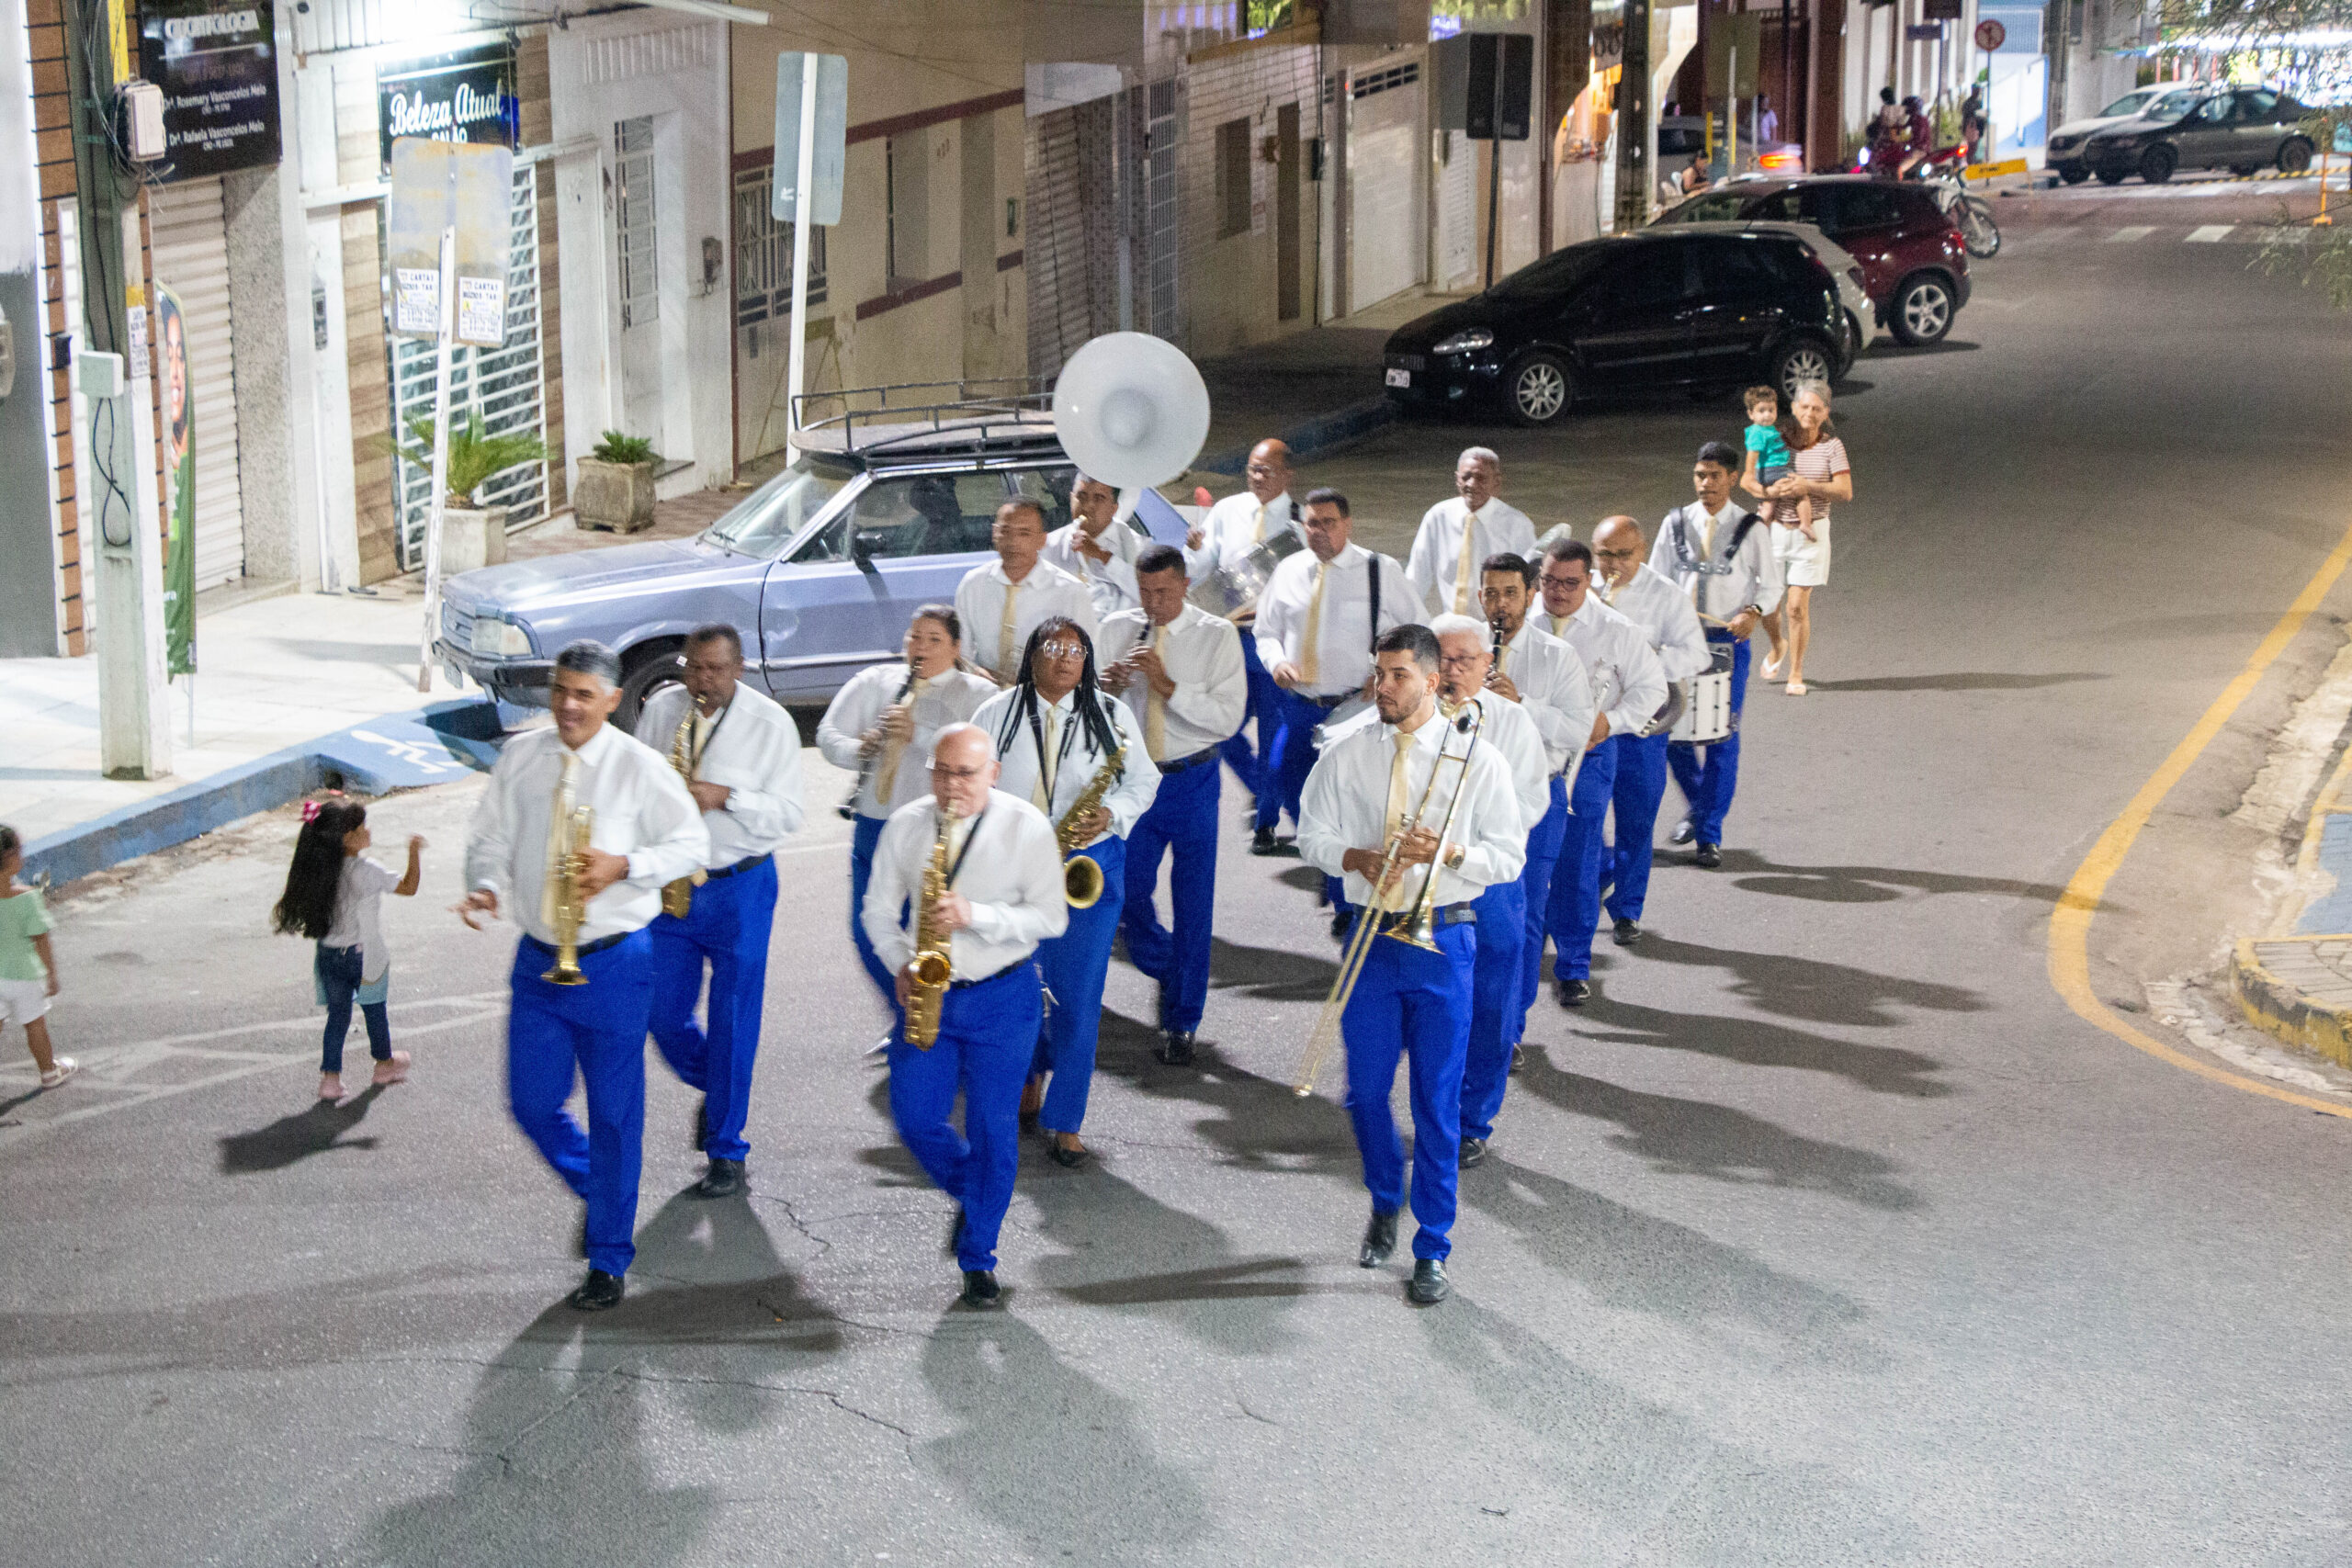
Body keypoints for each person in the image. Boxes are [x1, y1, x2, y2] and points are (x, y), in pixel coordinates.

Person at [458, 640, 709, 1313]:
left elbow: (692, 844)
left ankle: (608, 1256)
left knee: (614, 1114)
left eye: (582, 694)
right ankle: (604, 1195)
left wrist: (622, 865)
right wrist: (484, 884)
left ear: (610, 699)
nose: (567, 705)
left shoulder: (639, 767)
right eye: (560, 691)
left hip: (614, 961)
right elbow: (489, 836)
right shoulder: (522, 756)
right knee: (532, 1102)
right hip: (540, 957)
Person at [1297, 626, 1525, 1306]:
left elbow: (1507, 856)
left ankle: (1433, 1243)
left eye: (1397, 675)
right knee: (1363, 1093)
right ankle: (1384, 1196)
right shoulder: (1346, 753)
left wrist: (1448, 854)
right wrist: (1351, 858)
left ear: (1431, 681)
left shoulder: (1476, 761)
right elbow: (1311, 831)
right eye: (1379, 673)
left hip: (1444, 944)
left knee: (1434, 1102)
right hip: (1371, 938)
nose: (1382, 687)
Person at [863, 723, 1067, 1308]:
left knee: (994, 1130)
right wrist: (900, 961)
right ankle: (975, 1197)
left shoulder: (1025, 827)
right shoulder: (906, 826)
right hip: (931, 995)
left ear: (994, 774)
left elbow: (1051, 918)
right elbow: (877, 909)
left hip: (1004, 998)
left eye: (968, 773)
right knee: (916, 1116)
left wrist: (976, 914)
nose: (953, 785)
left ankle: (979, 1255)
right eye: (943, 771)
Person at [974, 620, 1159, 1167]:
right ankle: (1026, 1081)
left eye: (1076, 651)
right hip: (1015, 869)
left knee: (1078, 1001)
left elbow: (1143, 781)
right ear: (1032, 655)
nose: (1064, 660)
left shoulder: (1111, 713)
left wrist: (1112, 812)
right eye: (1053, 649)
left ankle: (1067, 1120)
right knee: (1017, 993)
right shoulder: (996, 713)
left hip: (1088, 868)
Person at [636, 624, 806, 1199]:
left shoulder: (770, 724)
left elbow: (787, 816)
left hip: (741, 886)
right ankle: (722, 1087)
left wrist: (725, 796)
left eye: (714, 670)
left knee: (735, 1019)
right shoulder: (662, 709)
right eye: (693, 669)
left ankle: (726, 1147)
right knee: (659, 1013)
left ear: (739, 668)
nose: (702, 681)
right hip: (674, 884)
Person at [1098, 544, 1248, 1066]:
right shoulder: (1117, 627)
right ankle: (1165, 966)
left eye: (1163, 591)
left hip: (1192, 780)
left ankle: (1184, 1020)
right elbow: (1096, 711)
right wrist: (1106, 688)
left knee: (1193, 905)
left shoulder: (1217, 636)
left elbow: (1228, 719)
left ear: (1184, 585)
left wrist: (1167, 687)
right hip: (1135, 781)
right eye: (1144, 592)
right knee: (1126, 891)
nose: (1153, 603)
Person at [819, 607, 998, 1005]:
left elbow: (984, 757)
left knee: (933, 932)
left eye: (934, 639)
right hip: (874, 822)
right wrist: (859, 748)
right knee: (872, 932)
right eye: (914, 637)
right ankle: (909, 1014)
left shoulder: (978, 694)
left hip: (939, 830)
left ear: (956, 647)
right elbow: (828, 734)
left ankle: (939, 1023)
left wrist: (920, 735)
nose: (921, 647)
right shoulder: (875, 681)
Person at [1425, 615, 1546, 1170]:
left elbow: (1529, 807)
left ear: (1486, 666)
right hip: (1428, 885)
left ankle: (1473, 1120)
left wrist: (1462, 846)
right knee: (1436, 1007)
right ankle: (1436, 1114)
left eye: (1464, 661)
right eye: (1442, 660)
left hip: (1491, 883)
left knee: (1492, 1007)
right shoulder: (1411, 719)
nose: (1452, 672)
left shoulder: (1513, 723)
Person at [1253, 488, 1426, 853]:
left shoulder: (1379, 571)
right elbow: (1265, 631)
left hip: (1356, 710)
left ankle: (1345, 895)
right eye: (1312, 524)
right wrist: (1276, 661)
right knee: (1288, 781)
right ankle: (1327, 860)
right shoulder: (1289, 570)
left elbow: (1420, 635)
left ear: (1347, 524)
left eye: (1329, 523)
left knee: (1350, 802)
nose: (1319, 531)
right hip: (1300, 706)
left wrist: (1387, 676)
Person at [1474, 553, 1597, 1058]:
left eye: (1510, 594)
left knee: (1525, 916)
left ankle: (1510, 1029)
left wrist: (1521, 704)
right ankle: (1476, 1020)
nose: (1500, 605)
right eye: (1490, 594)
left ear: (1529, 595)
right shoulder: (1465, 651)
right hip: (1476, 800)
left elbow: (1578, 728)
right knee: (1477, 913)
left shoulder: (1556, 655)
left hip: (1538, 794)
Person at [1534, 539, 1666, 1006]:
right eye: (1549, 581)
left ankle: (1573, 964)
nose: (1558, 592)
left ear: (1588, 581)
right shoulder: (1519, 622)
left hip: (1587, 759)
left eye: (1571, 583)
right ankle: (1523, 968)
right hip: (1525, 759)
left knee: (1575, 864)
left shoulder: (1615, 629)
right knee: (1522, 869)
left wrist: (1612, 721)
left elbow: (1652, 689)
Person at [1651, 442, 1782, 868]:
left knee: (1721, 737)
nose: (1706, 484)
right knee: (1674, 734)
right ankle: (1700, 807)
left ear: (1730, 477)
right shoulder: (1675, 523)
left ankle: (1709, 834)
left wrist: (1754, 612)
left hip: (1728, 641)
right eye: (1699, 476)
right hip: (1681, 641)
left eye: (1714, 476)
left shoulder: (1751, 528)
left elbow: (1771, 584)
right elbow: (1656, 581)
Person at [1590, 516, 1711, 943]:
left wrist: (1645, 667)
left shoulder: (1665, 595)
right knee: (1582, 817)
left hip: (1640, 728)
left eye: (1624, 555)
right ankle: (1604, 874)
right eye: (1605, 554)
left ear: (1641, 552)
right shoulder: (1579, 592)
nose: (1614, 565)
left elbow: (1695, 654)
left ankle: (1627, 909)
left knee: (1636, 821)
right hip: (1588, 727)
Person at [1185, 439, 1305, 836]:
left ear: (1287, 475)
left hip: (1274, 646)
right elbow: (1203, 570)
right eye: (1252, 469)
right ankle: (1262, 790)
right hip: (1230, 640)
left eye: (1266, 471)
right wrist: (1195, 551)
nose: (1257, 477)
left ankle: (1266, 824)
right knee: (1222, 729)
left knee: (1274, 738)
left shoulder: (1301, 523)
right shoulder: (1227, 510)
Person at [270, 797, 423, 1101]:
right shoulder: (367, 871)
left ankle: (330, 1079)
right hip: (364, 956)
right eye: (362, 827)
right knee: (374, 1010)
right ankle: (384, 1064)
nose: (368, 831)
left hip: (327, 954)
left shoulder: (317, 872)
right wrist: (414, 852)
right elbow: (408, 887)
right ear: (348, 838)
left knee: (337, 1017)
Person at [1752, 381, 1852, 697]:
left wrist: (1806, 485)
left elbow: (1845, 492)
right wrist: (1769, 492)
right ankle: (1777, 645)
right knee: (1767, 604)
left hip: (1812, 532)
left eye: (1817, 408)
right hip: (1777, 530)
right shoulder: (1776, 439)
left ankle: (1796, 671)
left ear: (1826, 413)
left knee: (1796, 607)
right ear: (1793, 408)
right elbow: (1751, 479)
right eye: (1804, 407)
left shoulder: (1832, 447)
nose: (1809, 413)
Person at [955, 499, 1098, 684]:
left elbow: (1086, 661)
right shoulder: (973, 584)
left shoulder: (1070, 591)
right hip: (984, 694)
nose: (1013, 542)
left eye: (1024, 533)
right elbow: (958, 653)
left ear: (1042, 540)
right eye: (1005, 531)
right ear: (994, 533)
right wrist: (974, 672)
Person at [1404, 447, 1536, 616]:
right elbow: (1417, 574)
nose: (1472, 484)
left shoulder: (1517, 525)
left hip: (1497, 625)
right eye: (1466, 477)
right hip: (1452, 623)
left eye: (1481, 478)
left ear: (1496, 482)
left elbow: (1528, 583)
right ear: (1457, 478)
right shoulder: (1438, 516)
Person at [0, 825, 74, 1090]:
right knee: (35, 1026)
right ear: (10, 857)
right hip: (25, 977)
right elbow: (41, 940)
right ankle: (49, 1072)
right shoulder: (28, 898)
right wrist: (51, 976)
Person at [1043, 473, 1141, 619]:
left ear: (1114, 509)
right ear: (1071, 499)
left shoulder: (1133, 544)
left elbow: (1146, 593)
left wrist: (1102, 555)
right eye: (1081, 496)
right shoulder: (1050, 544)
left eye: (1099, 498)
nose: (1088, 506)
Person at [1740, 385, 1812, 541]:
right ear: (1751, 414)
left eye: (1771, 410)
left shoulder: (1767, 430)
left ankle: (1758, 534)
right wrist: (1750, 474)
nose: (1767, 415)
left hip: (1770, 471)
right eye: (1761, 410)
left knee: (1768, 507)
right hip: (1773, 471)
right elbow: (1752, 455)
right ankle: (1806, 524)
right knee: (1801, 492)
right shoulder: (1757, 432)